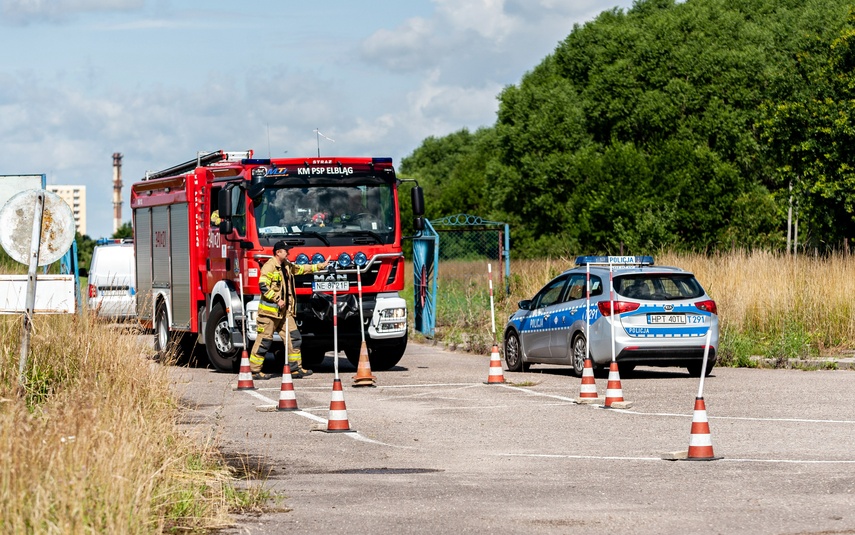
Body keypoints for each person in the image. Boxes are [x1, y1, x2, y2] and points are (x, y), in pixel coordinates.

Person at [249, 241, 329, 380]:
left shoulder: (286, 266)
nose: (288, 252)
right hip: (269, 314)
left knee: (294, 338)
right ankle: (254, 371)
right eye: (286, 250)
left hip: (285, 313)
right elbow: (263, 286)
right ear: (278, 252)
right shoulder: (269, 266)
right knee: (264, 341)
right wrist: (276, 299)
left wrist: (320, 266)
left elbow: (301, 269)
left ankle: (295, 368)